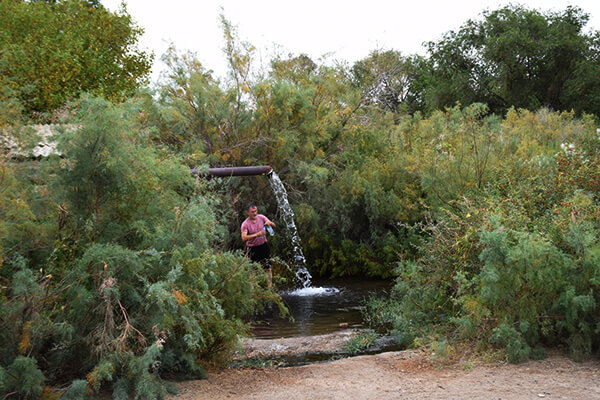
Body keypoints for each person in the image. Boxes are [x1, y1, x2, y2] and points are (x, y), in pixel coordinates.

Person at [241, 204, 276, 287]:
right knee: (252, 270)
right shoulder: (245, 224)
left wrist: (269, 223)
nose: (255, 213)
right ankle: (252, 290)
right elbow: (243, 238)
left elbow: (274, 225)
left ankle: (269, 288)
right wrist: (257, 234)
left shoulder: (261, 217)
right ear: (248, 213)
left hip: (263, 246)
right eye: (252, 212)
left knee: (268, 268)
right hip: (252, 248)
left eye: (256, 211)